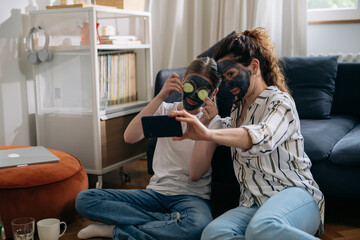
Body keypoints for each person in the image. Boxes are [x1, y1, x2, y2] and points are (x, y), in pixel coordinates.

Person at [169, 27, 324, 240]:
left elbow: (262, 135)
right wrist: (211, 120)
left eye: (231, 74)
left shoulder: (280, 102)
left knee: (261, 228)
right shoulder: (236, 109)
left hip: (294, 195)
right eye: (223, 78)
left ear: (254, 66)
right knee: (213, 234)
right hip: (253, 203)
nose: (227, 83)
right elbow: (233, 130)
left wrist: (208, 134)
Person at [75, 57, 222, 240]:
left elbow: (195, 173)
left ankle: (116, 231)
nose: (193, 95)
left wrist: (204, 126)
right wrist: (161, 96)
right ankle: (165, 222)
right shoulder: (165, 110)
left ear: (213, 93)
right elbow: (130, 137)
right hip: (155, 194)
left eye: (202, 92)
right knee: (84, 200)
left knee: (197, 226)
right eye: (190, 86)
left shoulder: (214, 123)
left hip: (191, 199)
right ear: (183, 81)